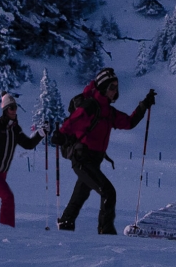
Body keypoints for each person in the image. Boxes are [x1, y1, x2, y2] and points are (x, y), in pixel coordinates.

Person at [53, 66, 154, 234]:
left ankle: (65, 224)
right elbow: (72, 122)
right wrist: (61, 135)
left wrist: (144, 105)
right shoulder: (90, 106)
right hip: (82, 159)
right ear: (102, 87)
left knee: (80, 195)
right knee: (108, 192)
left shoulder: (108, 111)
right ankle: (105, 233)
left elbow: (128, 122)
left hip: (94, 161)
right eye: (111, 87)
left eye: (116, 87)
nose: (115, 91)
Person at [0, 91, 43, 227]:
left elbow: (28, 144)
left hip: (2, 172)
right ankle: (7, 229)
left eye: (15, 107)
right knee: (7, 197)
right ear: (6, 110)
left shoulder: (15, 129)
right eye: (11, 108)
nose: (14, 110)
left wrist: (40, 134)